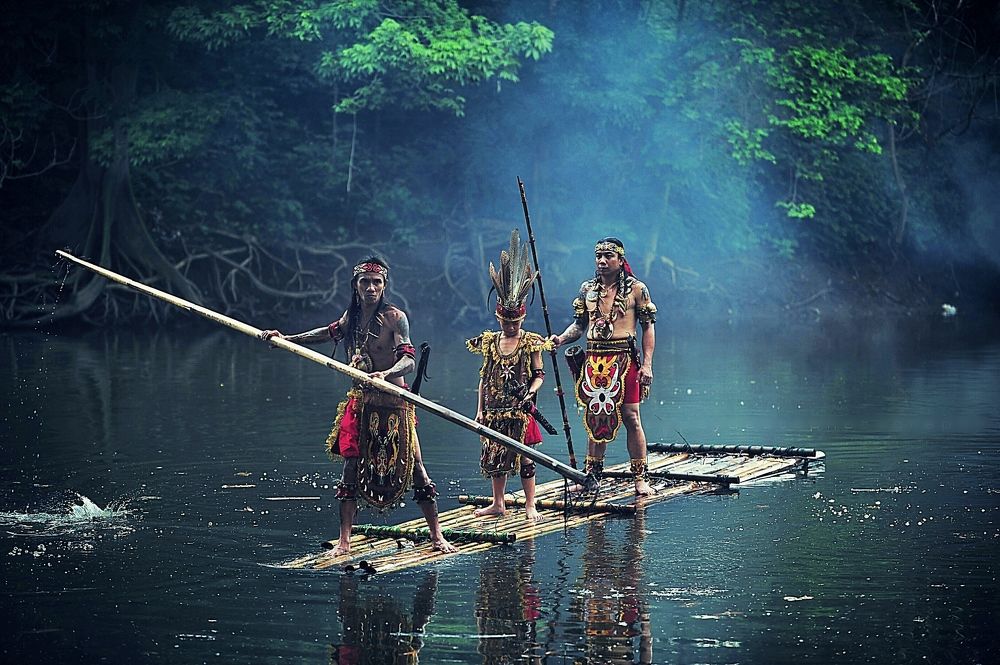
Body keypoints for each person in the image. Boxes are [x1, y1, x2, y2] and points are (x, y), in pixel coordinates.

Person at [259, 256, 456, 554]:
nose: (371, 288)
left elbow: (409, 360)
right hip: (362, 403)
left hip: (393, 404)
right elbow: (326, 333)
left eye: (377, 282)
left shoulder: (395, 318)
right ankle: (344, 542)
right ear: (356, 285)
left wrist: (386, 374)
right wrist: (286, 338)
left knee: (416, 468)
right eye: (365, 282)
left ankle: (437, 536)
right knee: (350, 470)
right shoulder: (351, 317)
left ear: (384, 285)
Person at [551, 237, 657, 496]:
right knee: (595, 417)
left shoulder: (637, 289)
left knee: (632, 417)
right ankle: (591, 477)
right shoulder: (587, 289)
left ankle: (640, 479)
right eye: (598, 256)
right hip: (594, 360)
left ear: (621, 260)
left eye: (608, 256)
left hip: (624, 359)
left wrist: (648, 366)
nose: (601, 261)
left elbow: (648, 327)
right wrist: (561, 339)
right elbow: (579, 325)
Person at [466, 231, 552, 522]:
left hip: (519, 411)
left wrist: (530, 392)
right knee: (494, 456)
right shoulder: (490, 341)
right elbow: (483, 377)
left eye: (515, 323)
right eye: (506, 322)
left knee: (525, 456)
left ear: (522, 320)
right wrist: (479, 410)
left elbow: (540, 374)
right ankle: (498, 502)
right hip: (493, 409)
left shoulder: (529, 341)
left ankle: (530, 504)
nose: (511, 327)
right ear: (499, 319)